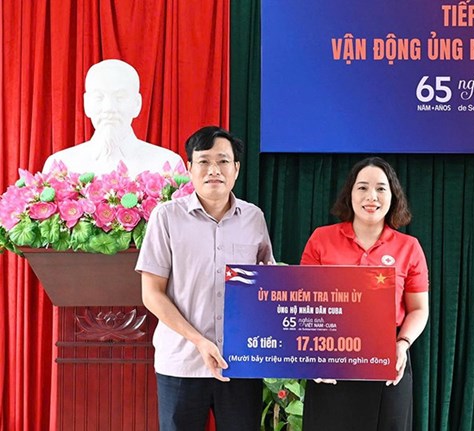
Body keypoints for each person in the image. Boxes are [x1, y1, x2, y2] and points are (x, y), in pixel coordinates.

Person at [135, 126, 274, 431]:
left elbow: (267, 287)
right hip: (182, 362)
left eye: (223, 161)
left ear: (236, 169)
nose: (214, 170)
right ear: (189, 168)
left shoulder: (254, 218)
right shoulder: (166, 217)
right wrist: (199, 341)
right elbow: (152, 293)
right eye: (204, 161)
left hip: (240, 364)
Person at [300, 157, 429, 431]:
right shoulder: (321, 239)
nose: (372, 196)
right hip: (330, 361)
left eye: (381, 188)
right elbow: (305, 303)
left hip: (388, 360)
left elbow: (419, 309)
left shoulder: (409, 247)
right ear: (350, 194)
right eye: (362, 187)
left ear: (393, 196)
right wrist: (314, 359)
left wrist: (402, 344)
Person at [43, 59, 183, 175]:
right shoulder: (61, 167)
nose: (109, 108)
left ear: (137, 104)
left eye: (120, 97)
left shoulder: (167, 165)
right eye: (99, 97)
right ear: (86, 103)